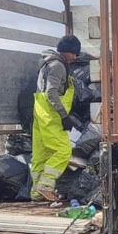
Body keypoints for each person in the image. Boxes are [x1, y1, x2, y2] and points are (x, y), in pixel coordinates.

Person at [31, 34, 83, 202]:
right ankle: (46, 185)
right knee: (63, 151)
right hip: (51, 114)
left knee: (41, 155)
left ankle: (36, 192)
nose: (75, 57)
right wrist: (64, 116)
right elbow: (51, 92)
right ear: (66, 51)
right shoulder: (57, 66)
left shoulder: (47, 63)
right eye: (74, 53)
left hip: (40, 112)